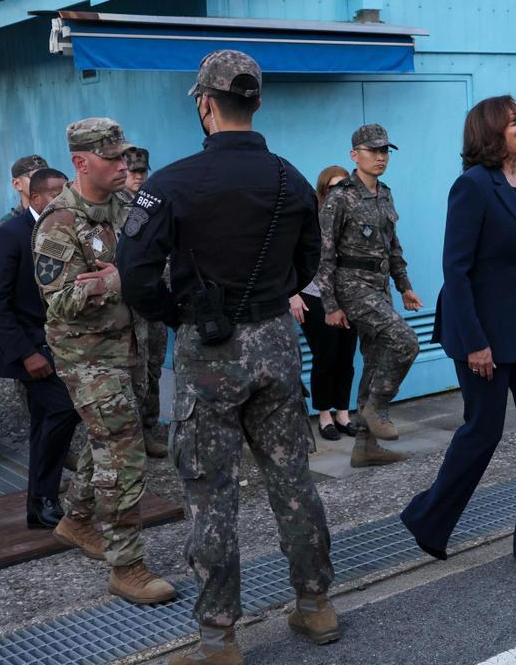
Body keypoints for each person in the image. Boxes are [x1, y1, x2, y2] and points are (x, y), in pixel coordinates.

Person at [117, 49, 338, 659]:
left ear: (205, 103)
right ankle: (316, 606)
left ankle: (219, 638)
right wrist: (272, 295)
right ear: (257, 102)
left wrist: (176, 313)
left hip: (207, 348)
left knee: (211, 492)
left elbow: (133, 274)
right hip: (276, 341)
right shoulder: (292, 178)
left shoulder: (169, 184)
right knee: (292, 478)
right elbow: (310, 263)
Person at [401, 96, 516, 568]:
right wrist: (476, 342)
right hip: (480, 331)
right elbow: (456, 272)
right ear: (490, 132)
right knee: (484, 430)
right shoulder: (472, 187)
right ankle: (429, 519)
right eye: (514, 120)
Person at [34, 117, 174, 606]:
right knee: (124, 451)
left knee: (107, 441)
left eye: (124, 157)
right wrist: (119, 280)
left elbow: (161, 260)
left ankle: (75, 520)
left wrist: (141, 274)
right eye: (112, 158)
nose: (123, 165)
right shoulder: (59, 222)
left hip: (129, 345)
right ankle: (127, 566)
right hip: (87, 353)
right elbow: (60, 301)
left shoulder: (128, 208)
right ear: (81, 162)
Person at [317, 124, 423, 468]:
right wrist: (330, 305)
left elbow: (393, 246)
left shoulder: (385, 194)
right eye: (373, 151)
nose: (380, 157)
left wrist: (404, 285)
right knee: (406, 341)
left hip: (379, 287)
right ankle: (376, 407)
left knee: (375, 361)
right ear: (354, 155)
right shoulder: (340, 198)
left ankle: (365, 447)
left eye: (384, 151)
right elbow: (324, 255)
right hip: (352, 287)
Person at [0, 167, 81, 528]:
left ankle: (40, 504)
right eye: (54, 193)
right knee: (64, 410)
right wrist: (26, 353)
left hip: (61, 343)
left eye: (65, 190)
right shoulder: (8, 235)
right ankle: (43, 499)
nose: (62, 197)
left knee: (46, 419)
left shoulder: (67, 229)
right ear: (34, 197)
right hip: (30, 348)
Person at [290, 166, 358, 442]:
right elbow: (288, 255)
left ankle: (343, 413)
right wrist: (291, 294)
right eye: (332, 187)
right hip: (315, 296)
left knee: (346, 357)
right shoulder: (310, 217)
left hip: (348, 296)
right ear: (322, 189)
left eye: (344, 185)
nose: (338, 191)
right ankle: (324, 415)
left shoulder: (353, 215)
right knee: (325, 356)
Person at [121, 145, 168, 458]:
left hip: (157, 298)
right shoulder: (114, 206)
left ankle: (150, 428)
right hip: (129, 305)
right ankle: (132, 436)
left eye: (142, 172)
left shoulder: (153, 203)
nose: (138, 177)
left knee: (154, 368)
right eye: (132, 172)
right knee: (132, 372)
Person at [0, 155, 49, 231]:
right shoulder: (5, 227)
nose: (43, 182)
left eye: (46, 176)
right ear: (17, 184)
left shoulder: (60, 217)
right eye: (35, 177)